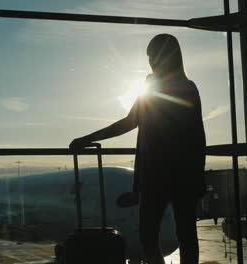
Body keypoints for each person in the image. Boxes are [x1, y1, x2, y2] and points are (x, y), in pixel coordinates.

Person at [69, 34, 206, 264]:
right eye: (150, 56)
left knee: (150, 236)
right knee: (185, 236)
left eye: (154, 55)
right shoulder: (185, 87)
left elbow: (129, 122)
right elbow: (197, 137)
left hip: (156, 174)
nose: (151, 60)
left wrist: (86, 139)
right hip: (181, 174)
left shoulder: (155, 87)